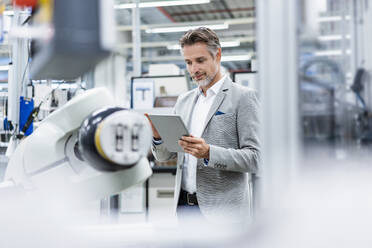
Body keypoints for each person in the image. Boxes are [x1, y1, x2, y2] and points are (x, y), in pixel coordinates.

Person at [146, 27, 260, 224]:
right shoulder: (184, 101)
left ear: (218, 55)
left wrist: (209, 153)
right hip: (184, 207)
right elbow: (165, 156)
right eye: (188, 62)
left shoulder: (243, 97)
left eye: (200, 61)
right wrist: (157, 137)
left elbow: (256, 158)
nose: (193, 69)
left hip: (224, 213)